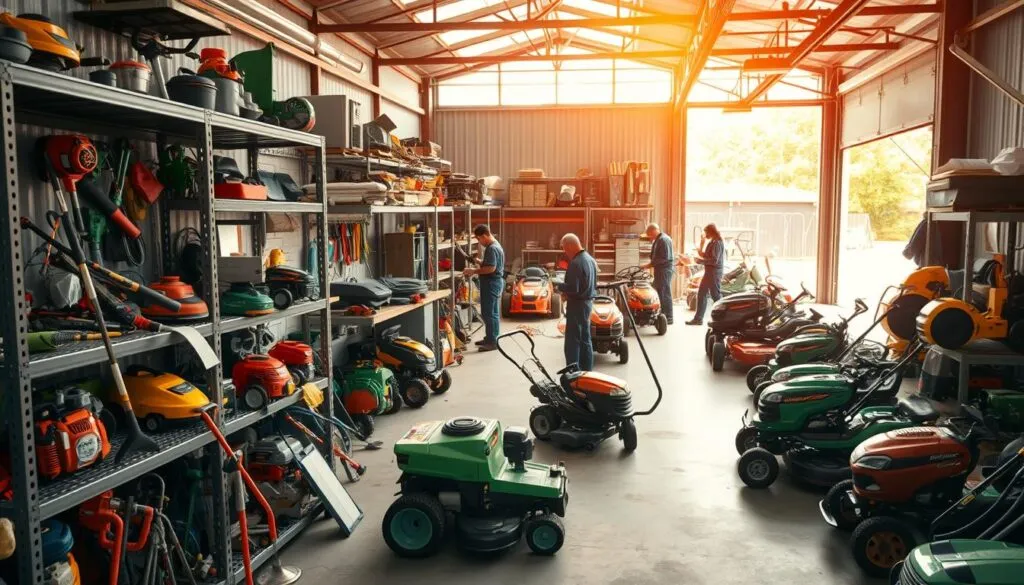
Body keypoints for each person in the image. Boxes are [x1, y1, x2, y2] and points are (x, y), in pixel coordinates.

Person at [558, 233, 597, 371]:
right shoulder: (590, 259)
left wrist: (558, 286)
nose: (564, 252)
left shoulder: (576, 263)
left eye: (564, 248)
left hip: (577, 305)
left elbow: (574, 289)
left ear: (569, 246)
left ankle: (572, 374)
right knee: (585, 339)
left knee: (572, 342)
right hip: (587, 304)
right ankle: (587, 371)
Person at [463, 224, 504, 352]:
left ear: (485, 235)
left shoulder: (491, 248)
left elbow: (491, 268)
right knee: (493, 313)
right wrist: (477, 260)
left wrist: (473, 271)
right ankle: (491, 338)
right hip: (494, 283)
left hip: (491, 283)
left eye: (479, 239)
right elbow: (491, 264)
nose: (479, 242)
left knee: (489, 313)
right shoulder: (496, 245)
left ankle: (492, 342)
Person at [687, 223, 725, 325]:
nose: (705, 234)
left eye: (706, 232)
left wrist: (700, 261)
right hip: (710, 273)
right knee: (702, 294)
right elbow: (703, 254)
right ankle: (698, 319)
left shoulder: (717, 243)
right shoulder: (712, 242)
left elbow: (714, 261)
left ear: (711, 231)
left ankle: (724, 318)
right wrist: (702, 243)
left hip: (714, 273)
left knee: (715, 296)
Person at [642, 222, 675, 325]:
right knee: (659, 292)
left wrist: (648, 265)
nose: (650, 238)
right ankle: (661, 315)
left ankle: (668, 317)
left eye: (650, 235)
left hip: (664, 270)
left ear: (654, 231)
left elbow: (664, 258)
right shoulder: (659, 239)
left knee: (664, 293)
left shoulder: (663, 240)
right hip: (660, 270)